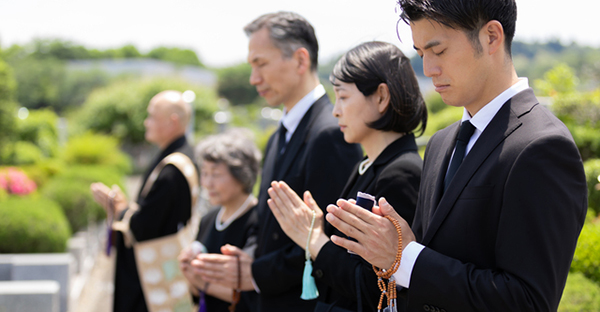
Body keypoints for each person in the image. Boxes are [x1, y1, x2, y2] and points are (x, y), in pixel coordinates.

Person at [326, 1, 588, 311]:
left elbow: (527, 301)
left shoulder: (542, 146)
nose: (427, 69)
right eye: (421, 54)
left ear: (491, 36)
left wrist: (405, 257)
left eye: (438, 51)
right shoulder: (440, 143)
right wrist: (393, 253)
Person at [191, 11, 363, 312]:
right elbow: (265, 221)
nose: (253, 78)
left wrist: (254, 272)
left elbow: (330, 240)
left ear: (300, 60)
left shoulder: (331, 133)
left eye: (261, 64)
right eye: (252, 66)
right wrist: (244, 259)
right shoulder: (277, 136)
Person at [266, 41, 427, 311]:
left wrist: (315, 241)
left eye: (342, 96)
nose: (335, 110)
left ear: (380, 97)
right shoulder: (368, 164)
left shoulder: (401, 172)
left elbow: (380, 288)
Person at [91, 90, 197, 312]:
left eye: (152, 117)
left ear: (172, 121)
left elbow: (143, 227)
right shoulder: (181, 156)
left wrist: (120, 208)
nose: (146, 122)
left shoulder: (172, 170)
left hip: (151, 278)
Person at [178, 129, 261, 312]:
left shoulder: (258, 220)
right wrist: (188, 269)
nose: (207, 183)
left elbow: (251, 291)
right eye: (205, 173)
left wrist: (202, 283)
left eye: (215, 174)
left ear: (242, 175)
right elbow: (195, 291)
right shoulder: (209, 218)